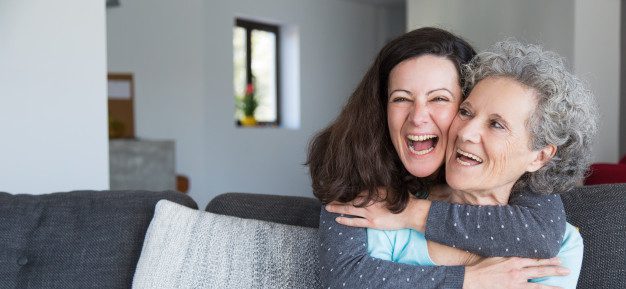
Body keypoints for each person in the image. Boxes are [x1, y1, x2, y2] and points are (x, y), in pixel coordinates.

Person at [308, 28, 569, 289]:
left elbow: (542, 234)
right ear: (381, 108)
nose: (418, 116)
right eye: (401, 98)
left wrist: (412, 213)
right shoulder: (355, 166)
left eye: (439, 98)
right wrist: (467, 280)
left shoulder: (505, 172)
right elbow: (343, 278)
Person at [361, 40, 596, 289]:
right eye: (466, 112)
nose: (466, 133)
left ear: (539, 157)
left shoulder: (562, 243)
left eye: (496, 124)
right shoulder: (388, 213)